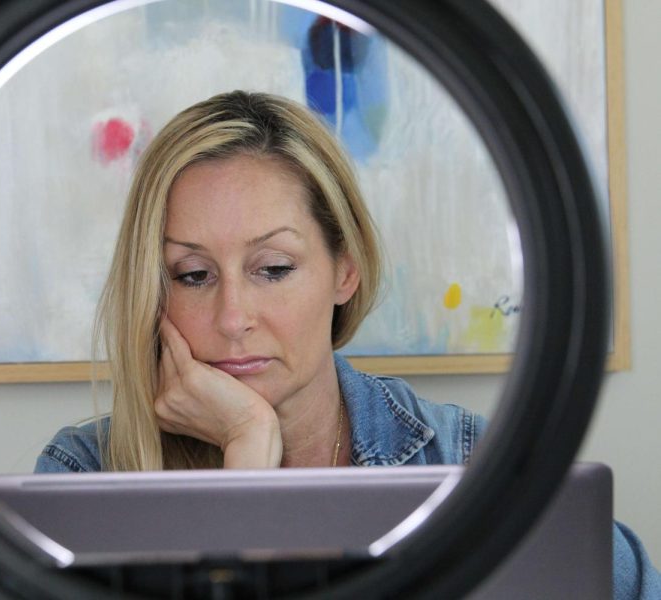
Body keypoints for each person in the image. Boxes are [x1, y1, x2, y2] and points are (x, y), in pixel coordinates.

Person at [35, 91, 660, 598]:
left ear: (345, 268)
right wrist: (247, 450)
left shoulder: (459, 460)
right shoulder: (85, 475)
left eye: (273, 268)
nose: (232, 318)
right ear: (155, 289)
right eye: (193, 275)